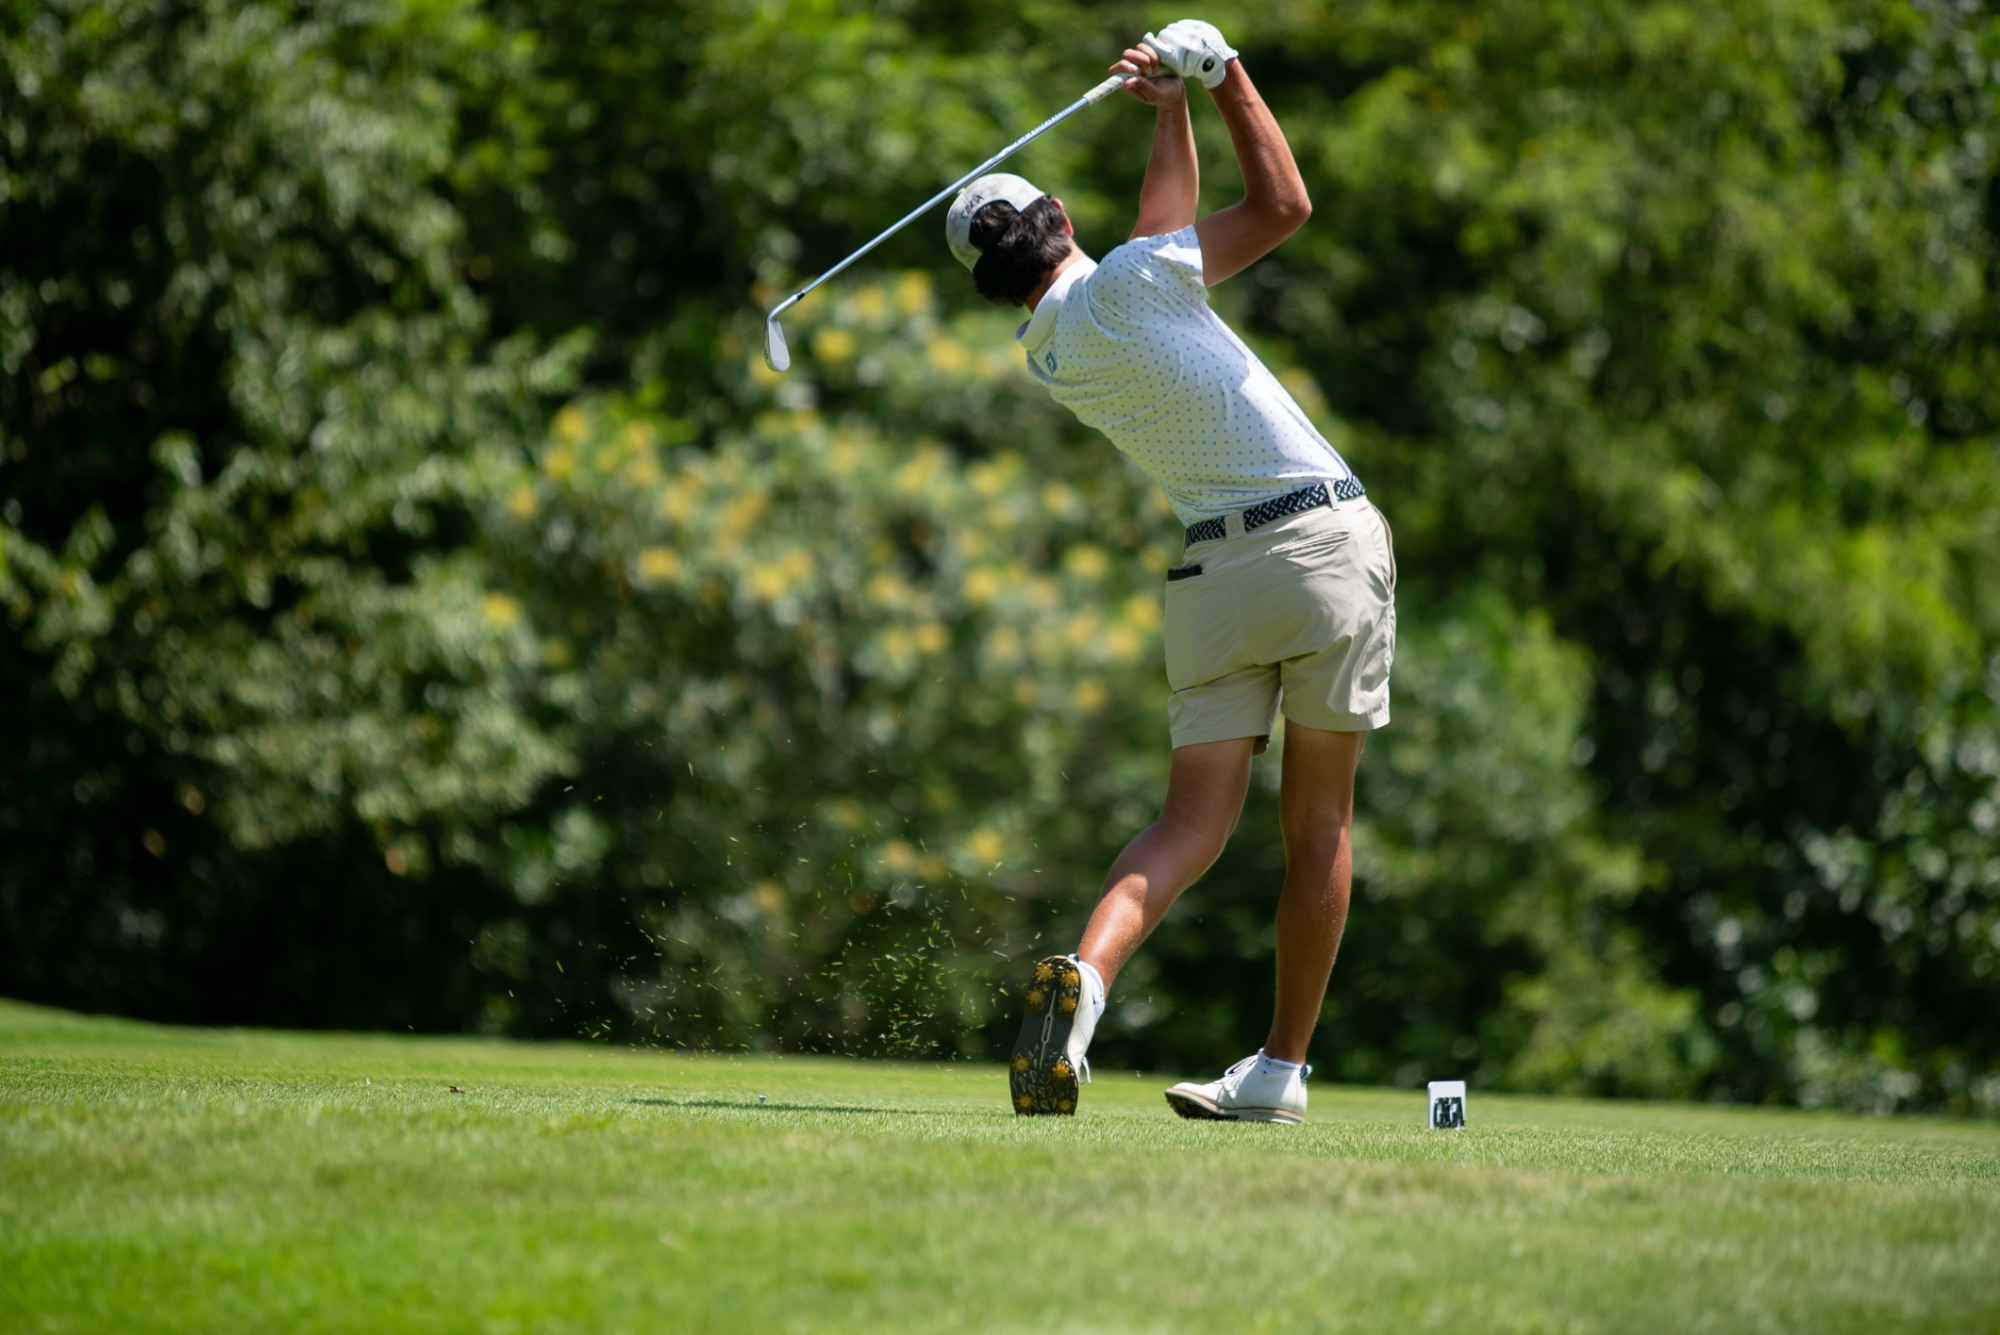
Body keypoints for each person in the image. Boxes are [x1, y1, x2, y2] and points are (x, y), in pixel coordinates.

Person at [946, 21, 1396, 1124]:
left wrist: (1174, 105)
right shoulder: (1141, 283)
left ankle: (1086, 983)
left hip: (1209, 585)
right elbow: (1282, 206)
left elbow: (1160, 231)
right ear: (1059, 217)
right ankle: (1280, 1071)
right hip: (1316, 549)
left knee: (1186, 824)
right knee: (1318, 829)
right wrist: (1228, 71)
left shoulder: (1051, 345)